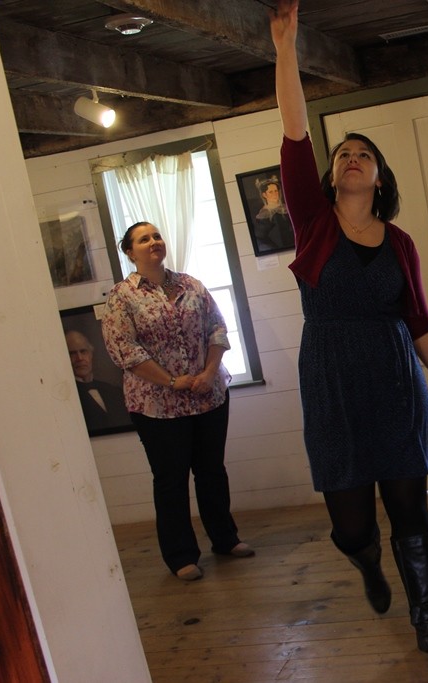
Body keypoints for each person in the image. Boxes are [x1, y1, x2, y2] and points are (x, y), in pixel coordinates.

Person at [270, 1, 428, 674]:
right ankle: (366, 567)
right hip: (331, 385)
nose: (352, 159)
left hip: (393, 381)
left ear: (379, 177)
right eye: (343, 154)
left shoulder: (401, 242)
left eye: (365, 155)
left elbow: (418, 318)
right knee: (354, 523)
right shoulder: (314, 227)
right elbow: (295, 134)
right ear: (331, 177)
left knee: (410, 509)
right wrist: (285, 49)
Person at [102, 221, 254, 582]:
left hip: (208, 395)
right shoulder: (122, 297)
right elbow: (124, 349)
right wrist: (172, 381)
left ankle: (225, 538)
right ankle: (181, 555)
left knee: (212, 472)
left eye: (156, 236)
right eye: (143, 239)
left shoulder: (191, 285)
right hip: (157, 406)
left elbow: (217, 328)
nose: (153, 242)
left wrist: (207, 372)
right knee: (170, 480)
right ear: (129, 252)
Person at [65, 329, 130, 432]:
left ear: (91, 354)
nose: (79, 358)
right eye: (72, 353)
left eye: (83, 351)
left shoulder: (114, 392)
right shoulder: (66, 397)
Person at [253, 176, 294, 252]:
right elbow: (261, 237)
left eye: (276, 191)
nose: (275, 194)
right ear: (264, 195)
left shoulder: (286, 207)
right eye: (271, 192)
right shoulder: (263, 215)